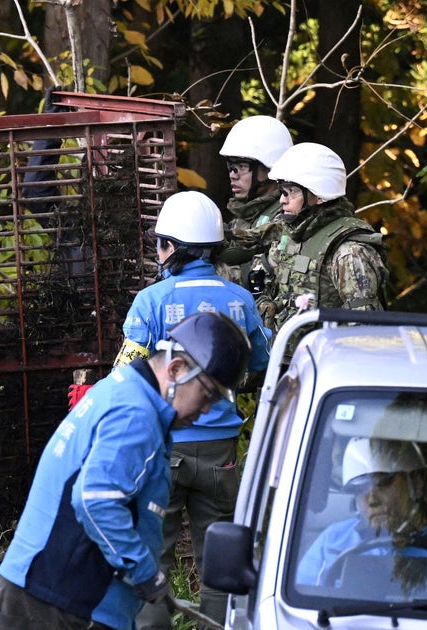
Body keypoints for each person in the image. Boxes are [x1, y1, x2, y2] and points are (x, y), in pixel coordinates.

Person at [0, 312, 253, 630]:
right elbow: (96, 501)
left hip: (50, 592)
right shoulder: (136, 414)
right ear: (176, 370)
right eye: (208, 395)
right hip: (60, 600)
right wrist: (144, 572)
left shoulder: (124, 390)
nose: (206, 410)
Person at [114, 191, 271, 630]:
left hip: (162, 447)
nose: (158, 251)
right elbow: (261, 362)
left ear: (174, 248)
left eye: (161, 242)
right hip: (220, 448)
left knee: (153, 551)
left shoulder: (151, 300)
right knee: (218, 556)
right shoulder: (241, 300)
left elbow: (127, 373)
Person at [296, 438, 427, 586]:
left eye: (382, 483)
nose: (372, 499)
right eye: (360, 490)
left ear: (416, 482)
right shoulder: (332, 540)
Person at [257, 142, 388, 333]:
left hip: (325, 358)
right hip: (283, 355)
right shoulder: (290, 236)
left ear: (318, 196)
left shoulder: (349, 252)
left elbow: (363, 330)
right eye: (283, 191)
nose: (282, 199)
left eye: (292, 191)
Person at [216, 115, 293, 294]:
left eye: (242, 166)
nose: (233, 174)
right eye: (231, 166)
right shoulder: (247, 213)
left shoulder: (286, 214)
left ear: (269, 169)